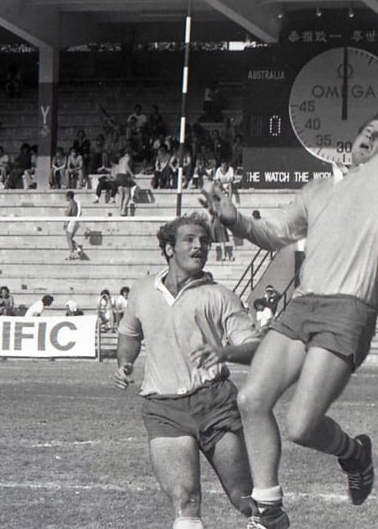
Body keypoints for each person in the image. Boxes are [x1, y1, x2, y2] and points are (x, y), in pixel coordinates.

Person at [200, 40, 378, 529]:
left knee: (302, 425)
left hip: (348, 309)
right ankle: (269, 511)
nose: (370, 140)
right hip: (302, 306)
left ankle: (353, 453)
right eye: (366, 133)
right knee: (251, 400)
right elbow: (274, 233)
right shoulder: (317, 189)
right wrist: (233, 218)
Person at [112, 213, 260, 529]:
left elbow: (254, 348)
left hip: (215, 403)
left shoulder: (221, 296)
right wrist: (125, 362)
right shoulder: (142, 290)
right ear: (169, 249)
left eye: (204, 241)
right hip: (163, 407)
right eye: (190, 240)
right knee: (185, 498)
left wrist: (224, 351)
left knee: (245, 497)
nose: (199, 247)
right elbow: (129, 334)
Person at [63, 191, 84, 260]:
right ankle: (78, 248)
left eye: (66, 196)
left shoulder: (71, 203)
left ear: (69, 197)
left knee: (68, 238)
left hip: (72, 221)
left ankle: (72, 253)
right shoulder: (75, 203)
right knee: (70, 238)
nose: (65, 198)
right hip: (75, 222)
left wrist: (65, 222)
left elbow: (69, 213)